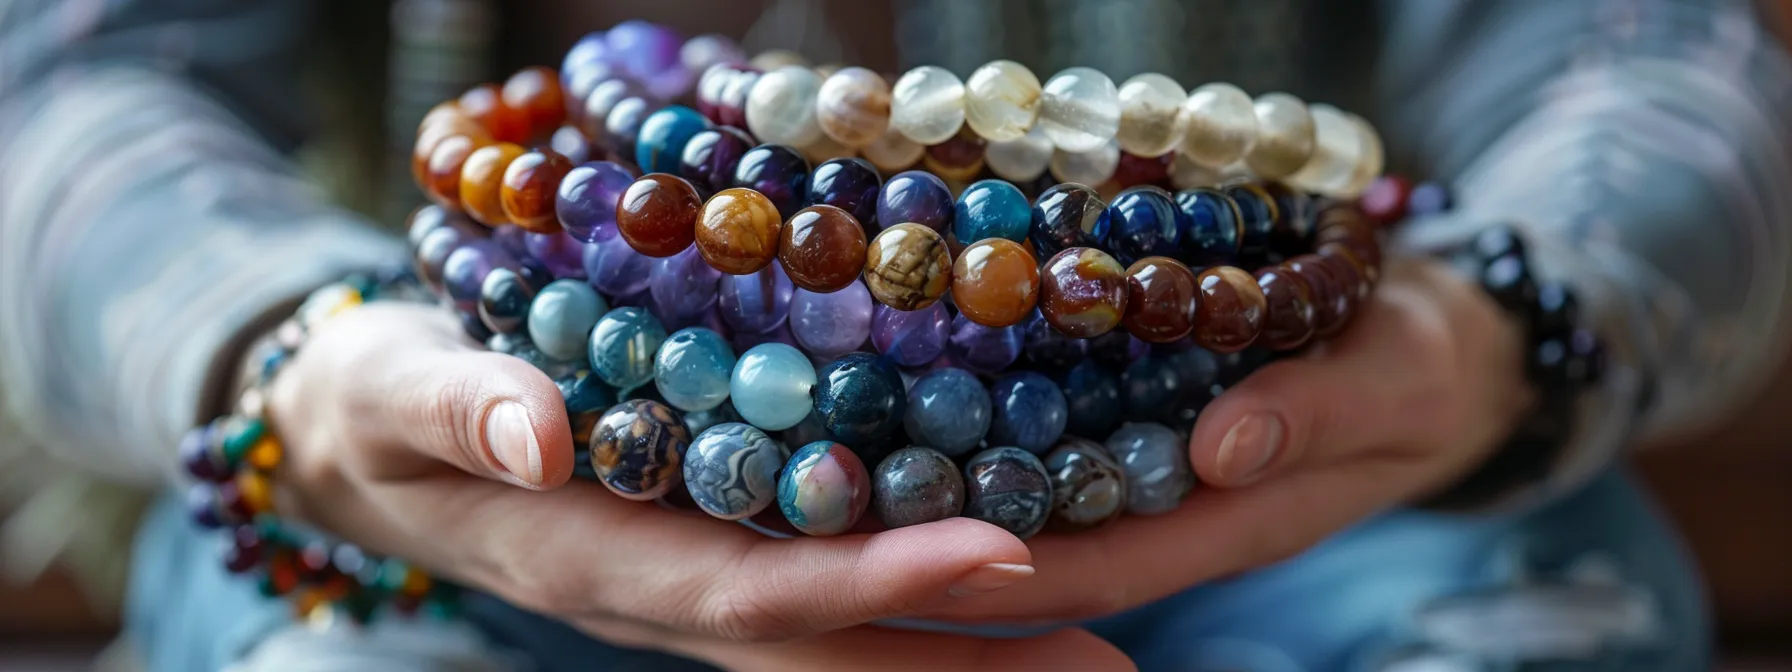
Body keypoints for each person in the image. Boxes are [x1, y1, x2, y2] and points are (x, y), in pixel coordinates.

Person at [1, 0, 1786, 670]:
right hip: (466, 526)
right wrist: (293, 362)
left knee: (1529, 602)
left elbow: (1653, 62)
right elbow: (70, 86)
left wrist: (1499, 326)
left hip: (1268, 492)